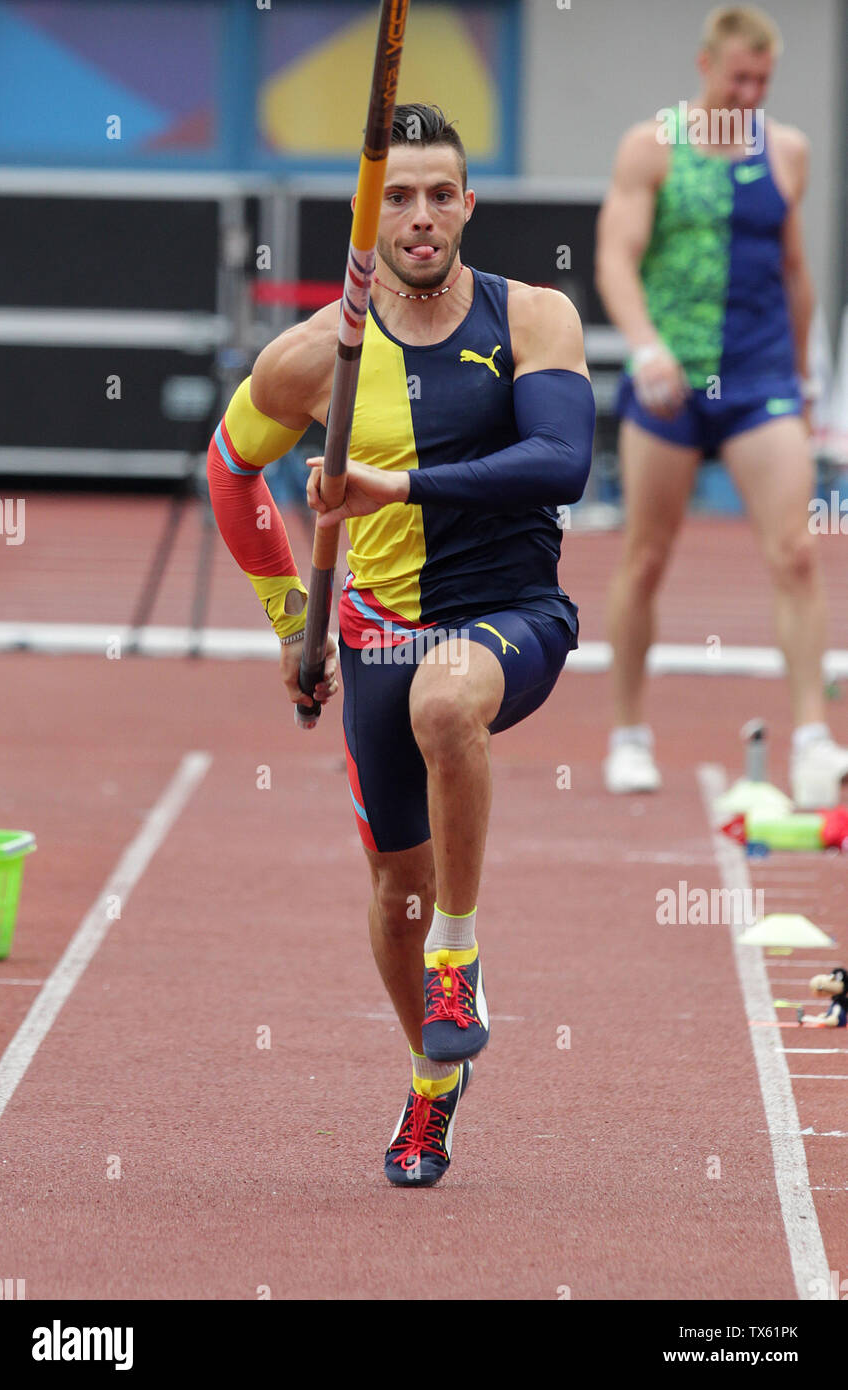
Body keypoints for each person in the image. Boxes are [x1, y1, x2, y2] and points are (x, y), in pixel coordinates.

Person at [207, 104, 594, 1186]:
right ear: (364, 215)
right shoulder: (313, 359)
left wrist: (396, 482)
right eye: (398, 198)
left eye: (439, 195)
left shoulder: (534, 320)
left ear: (466, 205)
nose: (419, 217)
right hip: (375, 630)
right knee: (393, 888)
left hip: (511, 611)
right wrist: (293, 619)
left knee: (443, 704)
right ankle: (431, 1077)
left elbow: (560, 462)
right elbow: (229, 469)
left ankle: (459, 958)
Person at [595, 3, 848, 807]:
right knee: (647, 558)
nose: (750, 92)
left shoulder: (788, 151)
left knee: (796, 553)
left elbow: (796, 272)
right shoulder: (652, 146)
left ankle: (813, 738)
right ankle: (630, 734)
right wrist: (644, 344)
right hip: (669, 378)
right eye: (739, 77)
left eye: (763, 81)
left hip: (760, 378)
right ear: (706, 67)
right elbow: (614, 258)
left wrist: (807, 384)